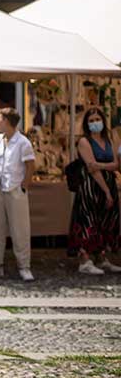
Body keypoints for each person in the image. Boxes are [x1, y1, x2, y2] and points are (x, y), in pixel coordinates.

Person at [0, 108, 35, 282]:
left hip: (14, 188)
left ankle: (24, 266)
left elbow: (30, 166)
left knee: (20, 229)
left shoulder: (23, 142)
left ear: (7, 121)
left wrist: (24, 186)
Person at [70, 108, 120, 274]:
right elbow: (92, 168)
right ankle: (85, 259)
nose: (95, 123)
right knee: (88, 219)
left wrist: (101, 165)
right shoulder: (85, 142)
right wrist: (106, 191)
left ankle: (102, 257)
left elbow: (115, 164)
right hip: (91, 186)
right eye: (91, 120)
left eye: (97, 119)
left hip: (109, 183)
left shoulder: (109, 140)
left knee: (105, 220)